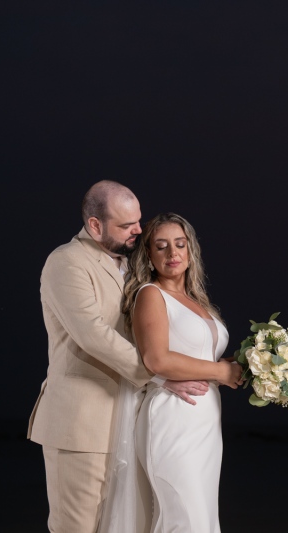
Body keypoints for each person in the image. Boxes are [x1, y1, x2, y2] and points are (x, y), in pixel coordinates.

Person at [28, 181, 210, 533]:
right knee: (78, 527)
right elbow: (93, 334)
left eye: (138, 221)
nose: (138, 231)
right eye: (126, 225)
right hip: (82, 426)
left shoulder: (130, 268)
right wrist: (160, 374)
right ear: (95, 225)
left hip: (132, 423)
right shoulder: (66, 262)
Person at [102, 212, 242, 533]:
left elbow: (200, 357)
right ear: (149, 255)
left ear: (191, 251)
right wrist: (221, 371)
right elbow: (156, 359)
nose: (172, 253)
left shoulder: (197, 303)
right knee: (184, 518)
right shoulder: (151, 294)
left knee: (201, 519)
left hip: (204, 424)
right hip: (172, 417)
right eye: (161, 246)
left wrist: (252, 364)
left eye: (180, 244)